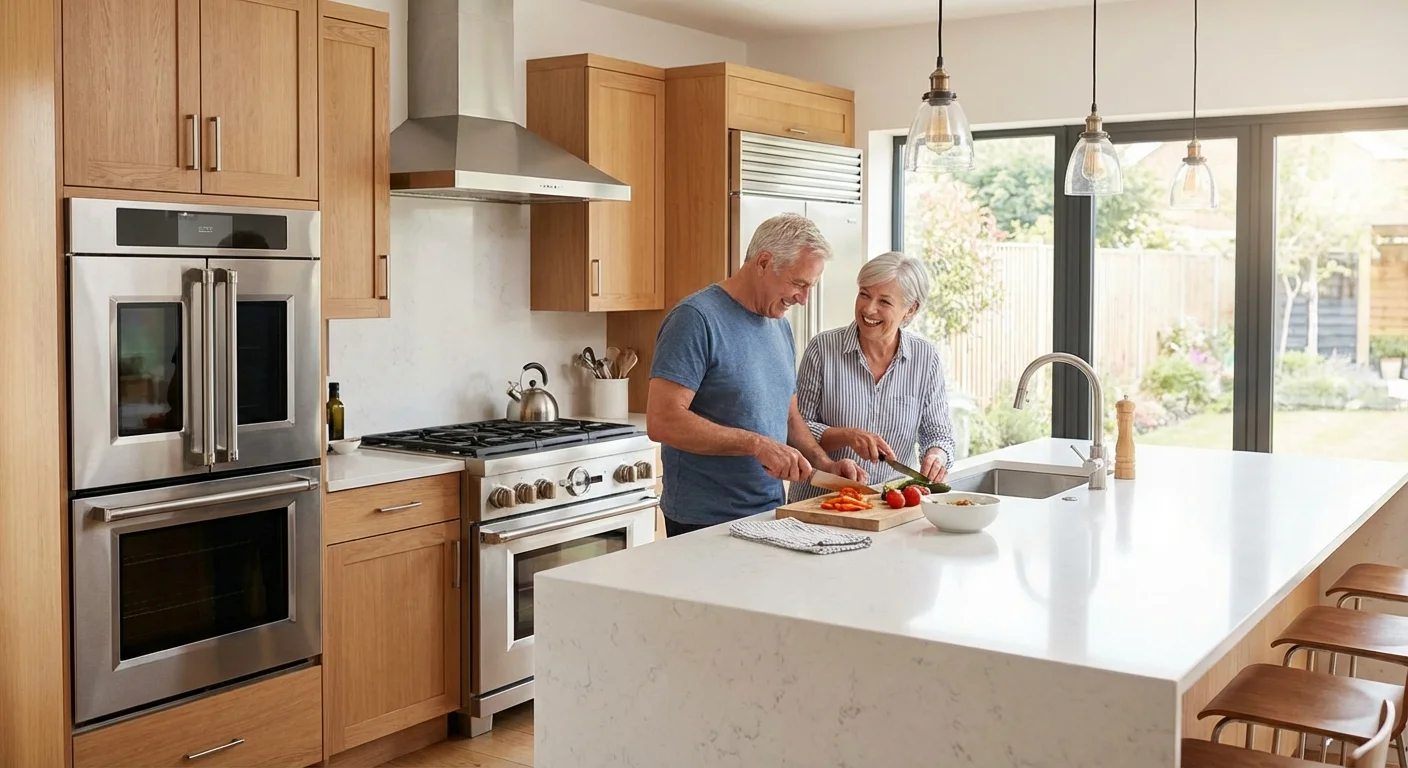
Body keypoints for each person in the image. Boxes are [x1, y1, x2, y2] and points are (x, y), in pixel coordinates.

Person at [647, 213, 866, 537]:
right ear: (764, 262)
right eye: (798, 283)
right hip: (704, 522)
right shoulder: (695, 319)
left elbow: (789, 418)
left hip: (769, 513)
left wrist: (826, 465)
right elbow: (662, 420)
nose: (803, 299)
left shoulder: (780, 325)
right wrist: (756, 444)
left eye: (810, 287)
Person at [787, 251, 956, 504]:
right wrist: (848, 436)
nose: (869, 308)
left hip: (887, 506)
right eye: (864, 294)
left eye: (884, 302)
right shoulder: (823, 349)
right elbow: (796, 427)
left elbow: (939, 434)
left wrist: (936, 456)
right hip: (820, 504)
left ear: (911, 309)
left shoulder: (925, 358)